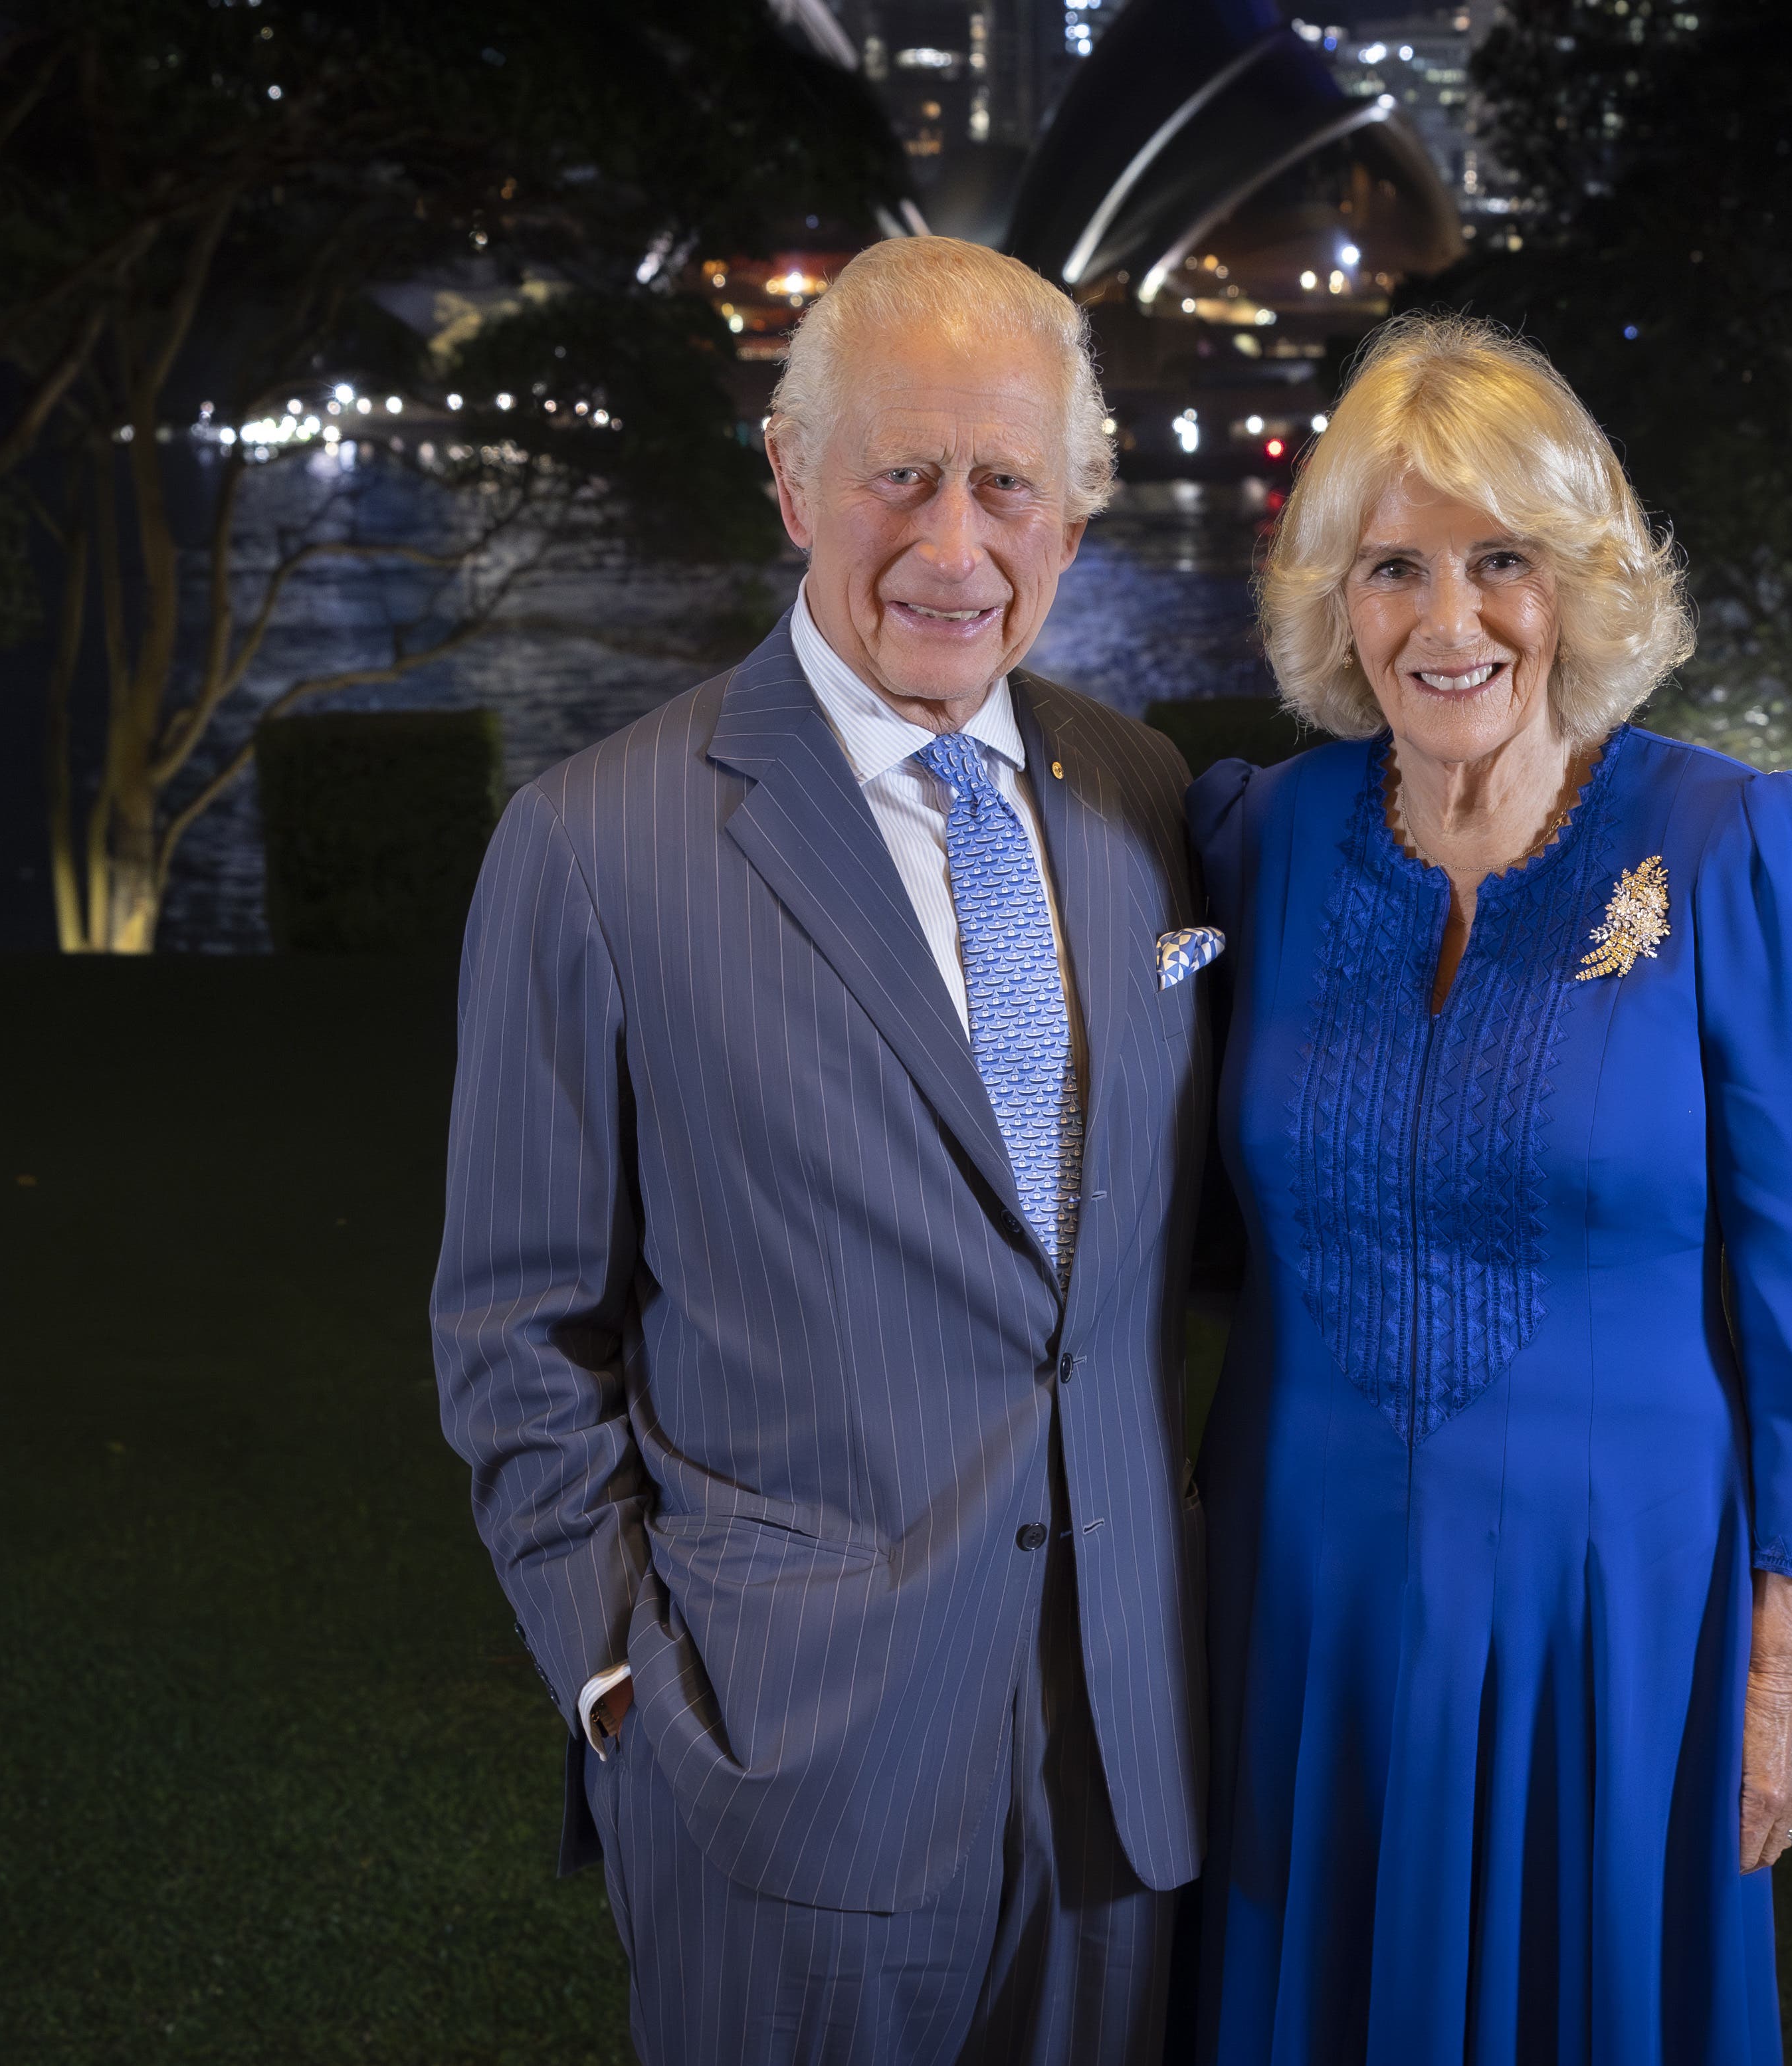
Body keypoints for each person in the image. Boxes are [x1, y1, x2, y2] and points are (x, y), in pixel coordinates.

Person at [430, 236, 1214, 2066]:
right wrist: (625, 1686)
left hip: (1125, 1768)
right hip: (784, 1780)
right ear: (792, 479)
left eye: (1008, 483)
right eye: (900, 472)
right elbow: (512, 1329)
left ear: (1074, 519)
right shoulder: (594, 846)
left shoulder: (1145, 798)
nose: (954, 546)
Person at [1185, 315, 1792, 2064]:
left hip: (1615, 1618)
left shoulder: (1730, 848)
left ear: (1578, 583)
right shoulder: (1266, 838)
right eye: (1394, 567)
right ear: (1339, 599)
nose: (1448, 619)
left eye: (1502, 562)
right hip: (1304, 1602)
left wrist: (1777, 1677)